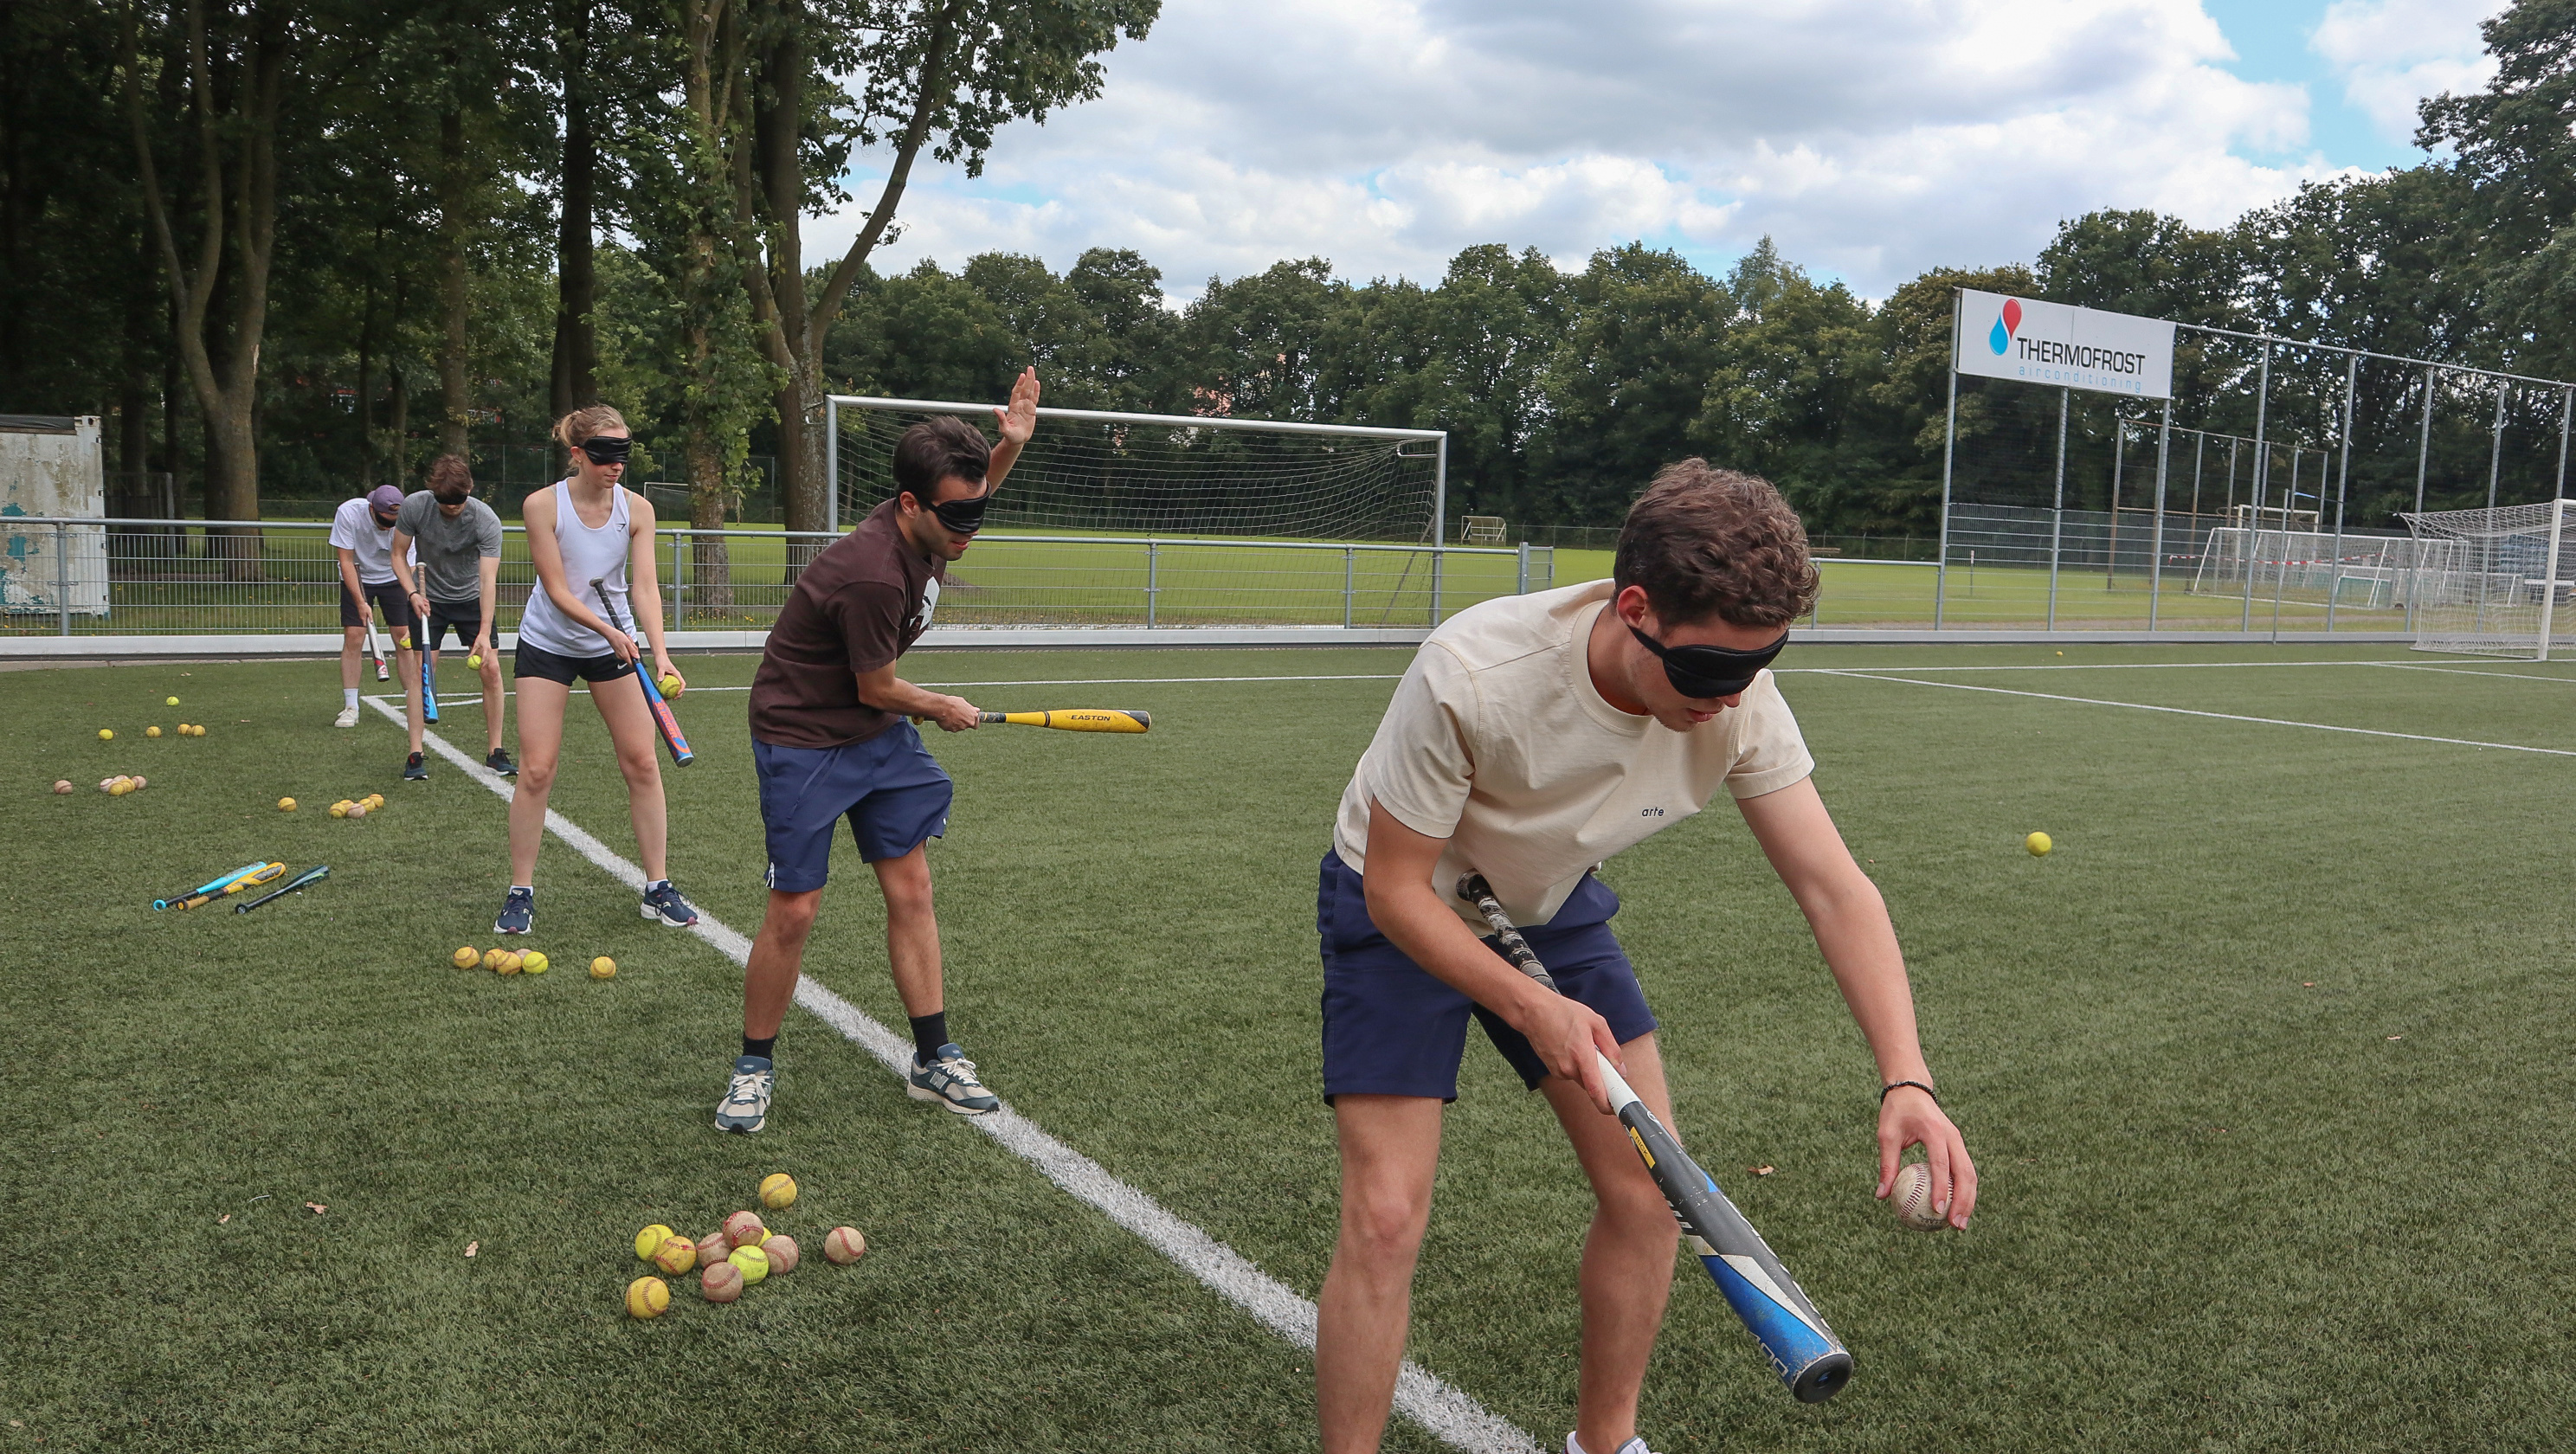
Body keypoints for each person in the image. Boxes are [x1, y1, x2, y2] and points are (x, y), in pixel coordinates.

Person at [1311, 461, 1978, 1454]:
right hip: (1404, 906)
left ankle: (1604, 1443)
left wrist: (1906, 1075)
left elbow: (1836, 889)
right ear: (1635, 610)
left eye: (1760, 664)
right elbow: (1396, 891)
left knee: (1653, 1196)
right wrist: (1526, 1008)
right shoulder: (1475, 673)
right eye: (1709, 671)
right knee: (1385, 1218)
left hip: (1550, 906)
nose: (1729, 697)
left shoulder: (1741, 701)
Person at [715, 370, 1040, 1135]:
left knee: (913, 889)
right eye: (959, 517)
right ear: (909, 506)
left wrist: (1009, 448)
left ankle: (933, 1059)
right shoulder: (870, 575)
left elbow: (967, 492)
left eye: (978, 511)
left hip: (874, 739)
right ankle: (753, 1067)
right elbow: (877, 688)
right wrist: (942, 706)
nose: (971, 530)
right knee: (795, 909)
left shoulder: (938, 520)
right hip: (805, 736)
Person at [493, 405, 697, 936]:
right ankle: (520, 891)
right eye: (605, 454)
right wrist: (609, 633)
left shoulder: (638, 510)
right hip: (550, 641)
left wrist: (661, 652)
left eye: (623, 453)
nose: (617, 465)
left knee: (642, 764)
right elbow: (558, 590)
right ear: (577, 454)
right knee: (537, 769)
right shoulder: (543, 506)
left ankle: (657, 887)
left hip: (617, 640)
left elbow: (645, 587)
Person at [390, 454, 514, 780]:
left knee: (491, 668)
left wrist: (484, 633)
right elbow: (397, 554)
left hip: (471, 598)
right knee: (421, 672)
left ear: (470, 490)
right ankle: (415, 754)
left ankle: (496, 751)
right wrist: (412, 594)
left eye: (458, 501)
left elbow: (488, 580)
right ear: (434, 493)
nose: (452, 508)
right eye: (445, 502)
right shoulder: (416, 507)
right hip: (427, 598)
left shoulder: (485, 519)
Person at [330, 484, 416, 729]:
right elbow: (345, 560)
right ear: (371, 508)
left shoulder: (407, 518)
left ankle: (413, 701)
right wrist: (360, 602)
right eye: (383, 521)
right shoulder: (348, 513)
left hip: (395, 575)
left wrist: (412, 597)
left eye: (393, 522)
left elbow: (408, 566)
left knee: (404, 637)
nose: (388, 527)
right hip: (357, 575)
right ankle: (350, 706)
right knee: (354, 636)